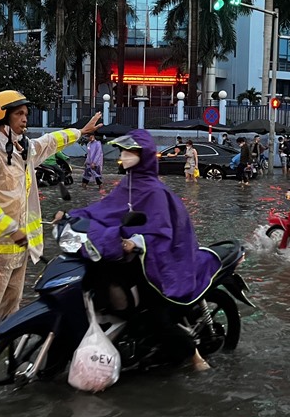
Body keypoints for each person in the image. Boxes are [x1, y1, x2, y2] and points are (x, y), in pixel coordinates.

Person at [63, 130, 220, 371]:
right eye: (123, 151)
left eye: (130, 152)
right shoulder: (127, 184)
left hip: (159, 259)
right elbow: (103, 210)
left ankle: (194, 356)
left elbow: (161, 232)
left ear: (144, 156)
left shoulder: (156, 192)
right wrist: (69, 216)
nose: (124, 156)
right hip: (127, 256)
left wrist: (135, 242)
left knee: (154, 312)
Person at [0, 90, 99, 358]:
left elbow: (51, 141)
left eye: (25, 113)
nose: (25, 119)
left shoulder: (25, 150)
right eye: (19, 114)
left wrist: (80, 132)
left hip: (21, 247)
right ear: (2, 117)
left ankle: (1, 350)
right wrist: (10, 229)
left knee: (11, 306)